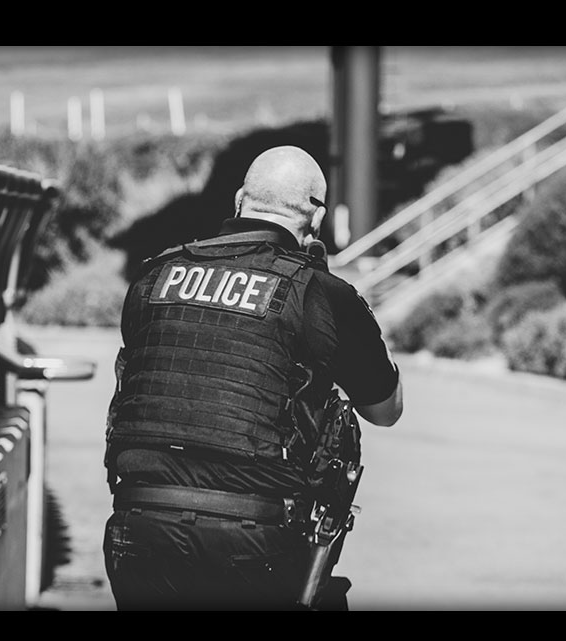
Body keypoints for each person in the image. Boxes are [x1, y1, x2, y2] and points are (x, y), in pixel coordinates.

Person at [103, 145, 403, 610]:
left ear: (240, 199)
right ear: (316, 218)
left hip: (139, 527)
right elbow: (386, 409)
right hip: (255, 541)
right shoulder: (320, 292)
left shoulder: (155, 274)